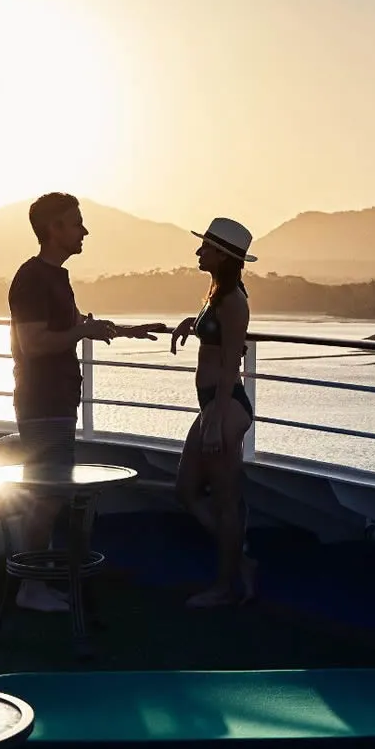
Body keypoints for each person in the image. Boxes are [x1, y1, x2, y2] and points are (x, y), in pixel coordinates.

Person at [8, 192, 166, 612]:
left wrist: (128, 331)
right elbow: (34, 342)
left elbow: (77, 326)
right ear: (53, 229)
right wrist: (81, 334)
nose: (84, 230)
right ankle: (30, 587)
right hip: (41, 403)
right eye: (76, 222)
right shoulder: (31, 278)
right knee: (47, 495)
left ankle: (41, 581)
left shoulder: (57, 277)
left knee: (53, 493)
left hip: (59, 400)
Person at [169, 216, 257, 608]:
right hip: (213, 405)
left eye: (205, 247)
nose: (198, 251)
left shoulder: (235, 301)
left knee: (223, 500)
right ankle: (240, 563)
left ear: (222, 254)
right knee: (185, 490)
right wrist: (193, 324)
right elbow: (218, 338)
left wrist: (215, 419)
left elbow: (229, 366)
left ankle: (226, 584)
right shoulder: (218, 295)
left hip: (225, 406)